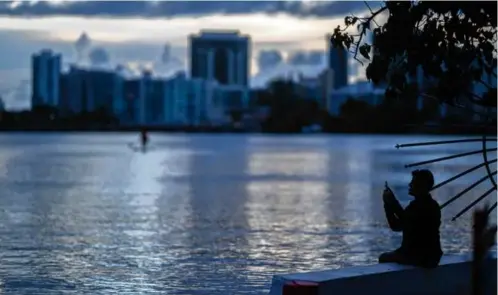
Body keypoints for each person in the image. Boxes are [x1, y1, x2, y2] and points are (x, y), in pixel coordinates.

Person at [379, 169, 443, 268]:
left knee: (383, 258)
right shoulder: (432, 205)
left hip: (416, 256)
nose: (410, 184)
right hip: (432, 256)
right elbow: (402, 221)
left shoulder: (419, 207)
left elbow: (399, 224)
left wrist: (390, 203)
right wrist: (390, 203)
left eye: (413, 182)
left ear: (421, 186)